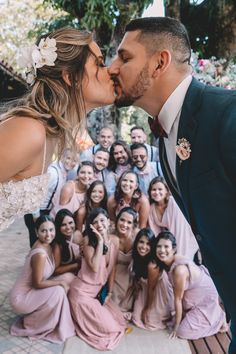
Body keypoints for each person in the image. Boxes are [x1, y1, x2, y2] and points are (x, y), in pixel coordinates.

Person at [109, 16, 236, 353]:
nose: (111, 67)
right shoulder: (163, 143)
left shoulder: (227, 114)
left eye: (124, 57)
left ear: (159, 62)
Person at [0, 26, 115, 232]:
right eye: (99, 64)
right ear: (71, 77)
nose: (110, 71)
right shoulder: (29, 131)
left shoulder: (51, 133)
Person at [9, 215, 75, 343]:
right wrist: (60, 282)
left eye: (51, 230)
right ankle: (34, 324)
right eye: (43, 231)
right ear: (36, 232)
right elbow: (37, 283)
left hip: (29, 292)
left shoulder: (48, 245)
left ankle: (45, 321)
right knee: (58, 291)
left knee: (61, 287)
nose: (48, 234)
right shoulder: (40, 253)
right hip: (20, 298)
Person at [68, 208, 127, 350]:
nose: (99, 224)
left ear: (108, 221)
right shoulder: (88, 240)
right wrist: (100, 242)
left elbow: (112, 269)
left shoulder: (114, 240)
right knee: (110, 329)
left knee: (119, 321)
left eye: (102, 220)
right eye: (95, 222)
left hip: (96, 293)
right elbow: (94, 267)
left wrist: (109, 293)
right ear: (91, 226)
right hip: (81, 294)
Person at [154, 231, 227, 339]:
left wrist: (176, 328)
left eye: (166, 247)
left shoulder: (179, 271)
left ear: (173, 249)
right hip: (195, 296)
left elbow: (178, 299)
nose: (162, 250)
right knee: (168, 316)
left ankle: (218, 318)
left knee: (182, 332)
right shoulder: (169, 261)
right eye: (159, 246)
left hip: (205, 300)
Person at [24, 148, 77, 247]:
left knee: (45, 242)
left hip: (44, 210)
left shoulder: (65, 172)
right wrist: (36, 217)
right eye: (68, 158)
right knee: (37, 243)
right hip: (35, 211)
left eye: (74, 160)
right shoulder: (53, 173)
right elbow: (35, 193)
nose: (71, 162)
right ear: (62, 157)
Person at [131, 228, 173, 330]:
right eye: (141, 242)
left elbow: (152, 289)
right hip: (145, 290)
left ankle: (162, 313)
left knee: (149, 321)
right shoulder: (137, 256)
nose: (144, 247)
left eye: (148, 244)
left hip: (158, 294)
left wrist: (147, 308)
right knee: (136, 318)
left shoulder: (152, 265)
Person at [148, 176, 199, 260]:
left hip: (186, 237)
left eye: (160, 189)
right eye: (153, 189)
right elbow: (156, 233)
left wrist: (174, 252)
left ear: (166, 191)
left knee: (180, 261)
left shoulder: (173, 203)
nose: (157, 192)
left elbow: (179, 229)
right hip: (171, 239)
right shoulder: (152, 208)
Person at [112, 207, 138, 316]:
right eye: (122, 220)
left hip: (131, 275)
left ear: (133, 225)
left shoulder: (137, 236)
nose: (124, 224)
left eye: (129, 222)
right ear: (117, 220)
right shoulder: (111, 236)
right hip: (114, 274)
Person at [53, 209, 83, 278]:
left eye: (70, 223)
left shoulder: (77, 234)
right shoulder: (57, 245)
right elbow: (55, 270)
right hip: (64, 275)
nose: (68, 227)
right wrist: (76, 265)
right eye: (63, 225)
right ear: (58, 227)